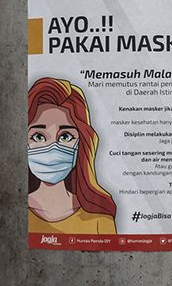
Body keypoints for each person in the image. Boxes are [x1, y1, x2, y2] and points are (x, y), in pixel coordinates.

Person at [27, 77, 117, 234]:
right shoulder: (11, 212)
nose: (52, 148)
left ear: (81, 143)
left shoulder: (99, 219)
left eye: (65, 137)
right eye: (39, 137)